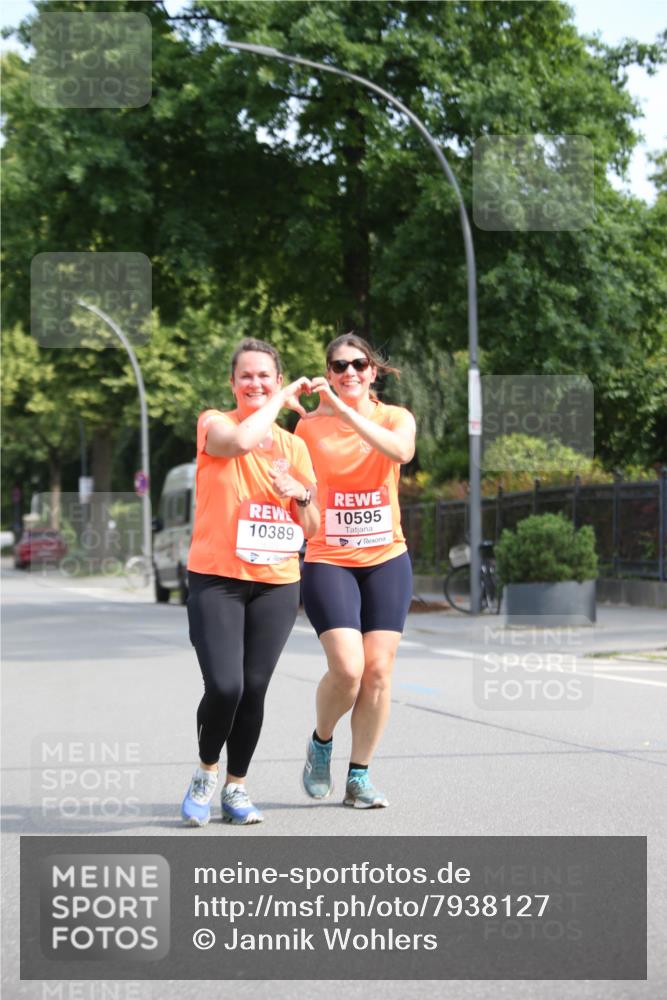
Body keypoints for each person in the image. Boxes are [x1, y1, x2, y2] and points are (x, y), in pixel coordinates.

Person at [181, 338, 318, 826]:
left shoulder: (294, 446)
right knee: (225, 686)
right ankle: (205, 771)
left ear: (278, 380)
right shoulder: (214, 424)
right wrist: (279, 405)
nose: (256, 383)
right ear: (233, 383)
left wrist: (301, 494)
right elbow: (239, 443)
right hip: (217, 578)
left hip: (277, 581)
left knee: (254, 688)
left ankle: (236, 787)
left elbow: (313, 527)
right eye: (247, 376)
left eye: (266, 376)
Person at [295, 334, 416, 808]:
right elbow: (298, 490)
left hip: (386, 556)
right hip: (329, 556)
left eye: (358, 365)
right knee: (348, 669)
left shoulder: (395, 418)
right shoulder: (308, 428)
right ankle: (321, 741)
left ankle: (359, 776)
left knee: (379, 672)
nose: (349, 373)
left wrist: (347, 412)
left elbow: (400, 453)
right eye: (339, 366)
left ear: (372, 371)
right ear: (328, 373)